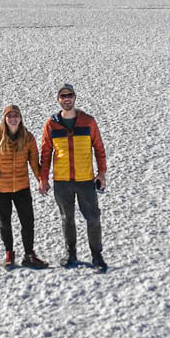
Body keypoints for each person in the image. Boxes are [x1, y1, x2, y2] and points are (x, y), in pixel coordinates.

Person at [38, 83, 108, 272]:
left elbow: (99, 149)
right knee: (66, 218)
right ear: (58, 99)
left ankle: (97, 256)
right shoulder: (51, 124)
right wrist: (43, 179)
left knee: (93, 218)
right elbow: (45, 153)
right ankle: (71, 254)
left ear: (75, 97)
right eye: (63, 96)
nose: (66, 99)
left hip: (85, 179)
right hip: (62, 181)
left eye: (69, 95)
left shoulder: (88, 121)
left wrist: (101, 174)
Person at [0, 105, 50, 269]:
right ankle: (9, 254)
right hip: (1, 188)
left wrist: (41, 179)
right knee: (4, 223)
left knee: (27, 222)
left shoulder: (28, 138)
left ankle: (29, 254)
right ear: (5, 119)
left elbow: (34, 162)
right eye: (9, 116)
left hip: (22, 187)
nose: (13, 118)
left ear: (20, 118)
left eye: (16, 115)